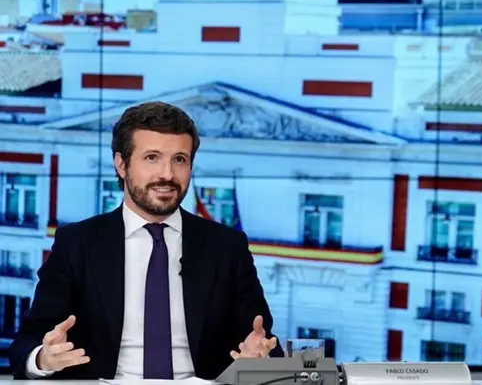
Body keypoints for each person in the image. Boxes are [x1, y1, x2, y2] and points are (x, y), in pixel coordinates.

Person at [9, 101, 284, 380]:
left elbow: (264, 343)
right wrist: (44, 358)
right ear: (121, 165)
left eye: (179, 159)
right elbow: (24, 347)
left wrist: (260, 359)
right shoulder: (77, 244)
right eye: (152, 157)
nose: (167, 174)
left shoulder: (226, 246)